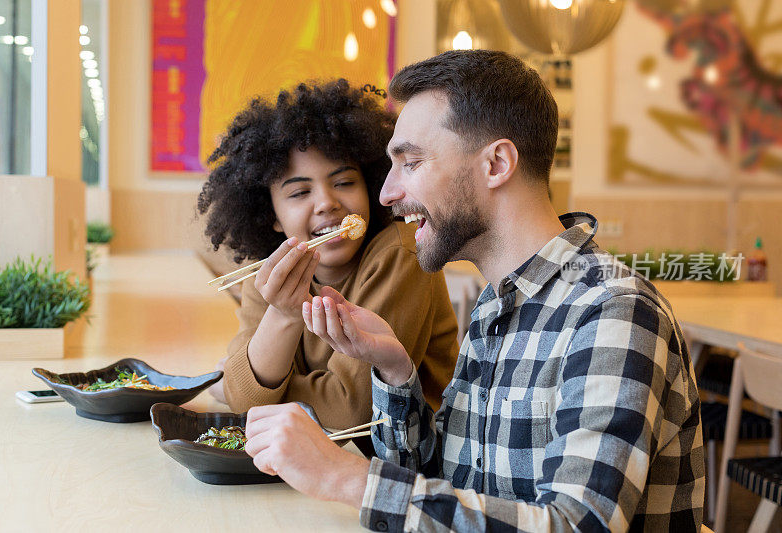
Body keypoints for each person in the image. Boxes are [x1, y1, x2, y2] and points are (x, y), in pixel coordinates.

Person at [240, 51, 705, 532]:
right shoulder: (499, 303)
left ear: (496, 164)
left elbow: (578, 524)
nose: (387, 193)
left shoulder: (612, 312)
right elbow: (454, 490)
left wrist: (347, 478)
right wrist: (396, 370)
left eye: (412, 163)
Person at [197, 79, 460, 431]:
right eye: (299, 192)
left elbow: (349, 413)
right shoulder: (271, 274)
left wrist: (242, 390)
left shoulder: (401, 252)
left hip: (409, 460)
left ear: (370, 184)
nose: (326, 203)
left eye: (344, 183)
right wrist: (284, 314)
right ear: (271, 215)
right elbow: (248, 400)